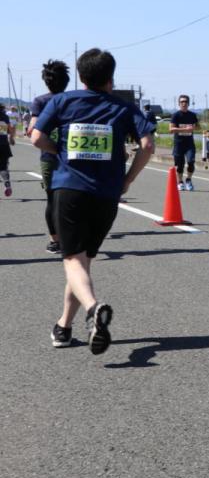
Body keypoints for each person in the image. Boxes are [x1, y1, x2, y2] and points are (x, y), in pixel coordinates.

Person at [31, 48, 156, 353]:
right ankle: (63, 328)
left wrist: (58, 151)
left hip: (70, 189)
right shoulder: (123, 107)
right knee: (82, 261)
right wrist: (128, 179)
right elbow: (148, 145)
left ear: (81, 76)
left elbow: (35, 137)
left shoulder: (63, 101)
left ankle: (92, 309)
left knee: (73, 260)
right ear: (111, 78)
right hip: (107, 194)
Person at [29, 60, 71, 253]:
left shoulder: (40, 101)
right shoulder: (71, 100)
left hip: (49, 156)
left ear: (46, 81)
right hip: (73, 157)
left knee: (52, 199)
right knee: (75, 196)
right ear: (67, 81)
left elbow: (32, 130)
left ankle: (55, 241)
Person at [168, 94, 198, 190]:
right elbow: (171, 129)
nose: (184, 103)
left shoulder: (192, 115)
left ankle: (188, 180)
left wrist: (193, 127)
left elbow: (197, 126)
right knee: (180, 165)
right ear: (179, 103)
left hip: (189, 143)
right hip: (179, 143)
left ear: (188, 103)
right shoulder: (175, 115)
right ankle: (180, 182)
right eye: (182, 102)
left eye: (185, 102)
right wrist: (185, 129)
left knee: (191, 162)